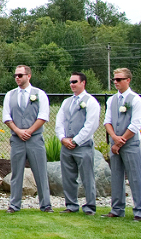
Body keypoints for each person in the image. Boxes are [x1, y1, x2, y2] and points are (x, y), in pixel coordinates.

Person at [2, 65, 52, 213]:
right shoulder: (10, 95)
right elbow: (6, 116)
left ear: (28, 76)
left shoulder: (40, 94)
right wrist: (17, 131)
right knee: (16, 173)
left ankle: (46, 205)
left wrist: (29, 131)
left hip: (35, 139)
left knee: (40, 172)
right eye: (15, 75)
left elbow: (43, 116)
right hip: (17, 139)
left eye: (20, 75)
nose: (17, 78)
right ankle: (14, 205)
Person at [102, 68, 141, 221]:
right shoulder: (112, 100)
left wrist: (120, 142)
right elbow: (107, 121)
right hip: (115, 143)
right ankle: (117, 209)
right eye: (114, 80)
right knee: (116, 177)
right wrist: (114, 137)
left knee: (135, 178)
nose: (116, 82)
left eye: (119, 79)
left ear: (128, 80)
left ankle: (140, 211)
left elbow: (135, 124)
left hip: (130, 144)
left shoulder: (135, 99)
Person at [55, 71, 100, 215]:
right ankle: (71, 205)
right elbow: (59, 122)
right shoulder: (66, 102)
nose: (71, 84)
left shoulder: (91, 101)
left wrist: (76, 140)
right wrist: (62, 138)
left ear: (83, 83)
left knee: (87, 177)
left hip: (83, 145)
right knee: (68, 177)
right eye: (70, 82)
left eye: (74, 82)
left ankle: (90, 207)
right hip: (66, 145)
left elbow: (91, 125)